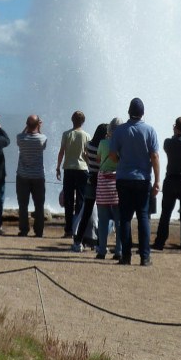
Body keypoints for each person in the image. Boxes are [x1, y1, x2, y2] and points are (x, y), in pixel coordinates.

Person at [109, 98, 160, 267]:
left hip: (124, 178)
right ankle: (145, 257)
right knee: (143, 217)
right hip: (142, 179)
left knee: (125, 218)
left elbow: (112, 155)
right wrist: (157, 180)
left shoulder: (120, 131)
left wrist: (122, 161)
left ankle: (126, 256)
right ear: (143, 113)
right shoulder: (150, 130)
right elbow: (154, 156)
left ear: (128, 111)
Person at [152, 116, 181, 252]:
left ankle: (160, 242)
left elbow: (173, 142)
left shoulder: (168, 143)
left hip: (171, 180)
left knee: (166, 213)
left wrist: (175, 133)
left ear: (175, 127)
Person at [71, 122, 108, 252]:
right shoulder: (104, 148)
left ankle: (77, 242)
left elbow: (86, 158)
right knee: (102, 214)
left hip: (91, 180)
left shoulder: (89, 145)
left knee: (86, 213)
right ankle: (100, 244)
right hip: (102, 181)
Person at [56, 111, 89, 239]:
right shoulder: (86, 135)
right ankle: (77, 228)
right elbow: (87, 154)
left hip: (69, 169)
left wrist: (58, 167)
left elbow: (61, 152)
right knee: (80, 199)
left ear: (72, 120)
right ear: (83, 121)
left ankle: (68, 229)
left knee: (68, 199)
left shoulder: (66, 134)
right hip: (82, 169)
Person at [15, 115, 47, 237]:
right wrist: (39, 128)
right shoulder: (42, 138)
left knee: (23, 204)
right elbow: (42, 143)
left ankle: (24, 230)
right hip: (38, 176)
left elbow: (22, 136)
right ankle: (39, 231)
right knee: (39, 204)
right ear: (37, 124)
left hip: (23, 175)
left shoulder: (21, 138)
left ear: (27, 124)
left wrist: (28, 127)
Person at [95, 118, 122, 260]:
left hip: (103, 183)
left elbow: (98, 160)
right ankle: (119, 251)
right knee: (119, 220)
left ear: (109, 130)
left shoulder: (103, 143)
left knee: (103, 219)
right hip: (117, 183)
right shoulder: (122, 144)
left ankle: (101, 251)